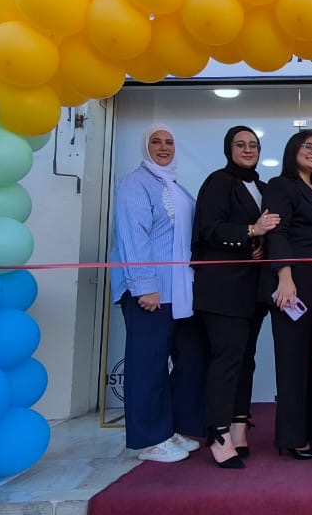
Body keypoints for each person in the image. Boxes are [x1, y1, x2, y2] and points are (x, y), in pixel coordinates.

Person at [108, 122, 207, 463]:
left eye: (169, 142)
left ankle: (169, 429)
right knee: (147, 365)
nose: (163, 147)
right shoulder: (135, 184)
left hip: (178, 293)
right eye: (156, 141)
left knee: (187, 360)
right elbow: (132, 236)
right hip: (150, 293)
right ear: (144, 147)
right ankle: (149, 440)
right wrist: (144, 286)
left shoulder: (175, 186)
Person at [193, 125, 281, 469]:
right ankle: (217, 433)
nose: (247, 149)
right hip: (222, 290)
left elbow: (269, 233)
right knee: (227, 360)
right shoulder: (218, 182)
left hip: (252, 291)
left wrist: (261, 242)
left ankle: (238, 427)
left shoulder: (263, 187)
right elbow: (209, 229)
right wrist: (250, 231)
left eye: (253, 145)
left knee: (246, 359)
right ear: (228, 149)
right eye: (240, 144)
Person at [263, 132, 312, 460]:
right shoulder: (280, 186)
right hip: (293, 285)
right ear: (292, 150)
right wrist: (284, 277)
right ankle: (293, 438)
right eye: (307, 146)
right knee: (292, 362)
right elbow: (278, 232)